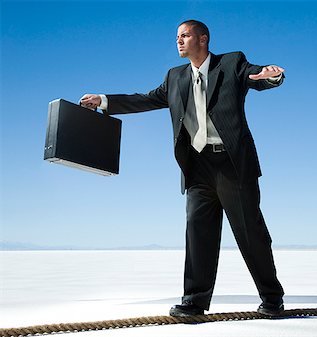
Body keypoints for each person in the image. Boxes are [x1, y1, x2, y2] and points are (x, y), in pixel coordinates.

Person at [80, 20, 285, 317]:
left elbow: (256, 76)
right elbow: (146, 99)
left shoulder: (231, 63)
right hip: (197, 166)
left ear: (203, 39)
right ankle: (195, 302)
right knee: (198, 234)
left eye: (185, 36)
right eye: (177, 36)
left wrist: (272, 76)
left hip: (232, 164)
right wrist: (105, 101)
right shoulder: (175, 77)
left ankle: (271, 298)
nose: (178, 41)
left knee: (250, 233)